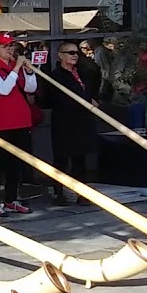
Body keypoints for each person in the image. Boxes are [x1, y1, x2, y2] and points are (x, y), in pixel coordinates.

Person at [0, 32, 37, 217]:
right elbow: (3, 89)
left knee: (16, 163)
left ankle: (11, 199)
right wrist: (17, 68)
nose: (9, 50)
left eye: (11, 46)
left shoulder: (15, 66)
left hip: (20, 121)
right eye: (5, 46)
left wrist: (29, 71)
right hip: (1, 123)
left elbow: (30, 88)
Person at [40, 42, 97, 206]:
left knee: (80, 159)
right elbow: (51, 99)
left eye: (76, 53)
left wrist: (93, 100)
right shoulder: (56, 76)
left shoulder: (82, 72)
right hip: (65, 122)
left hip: (82, 121)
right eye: (70, 52)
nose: (75, 55)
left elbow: (90, 90)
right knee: (61, 159)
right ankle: (58, 192)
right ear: (61, 55)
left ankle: (81, 193)